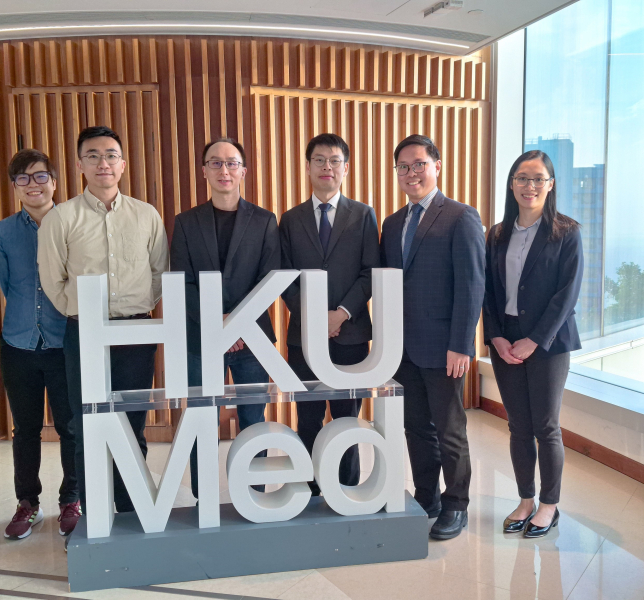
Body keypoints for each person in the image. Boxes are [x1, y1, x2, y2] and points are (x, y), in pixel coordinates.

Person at [38, 126, 168, 525]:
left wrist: (137, 308)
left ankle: (131, 511)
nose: (103, 163)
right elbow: (52, 280)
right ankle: (94, 518)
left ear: (123, 164)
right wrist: (81, 313)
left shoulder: (146, 215)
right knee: (87, 425)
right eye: (92, 155)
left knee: (132, 424)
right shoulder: (61, 217)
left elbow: (159, 273)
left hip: (136, 333)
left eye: (110, 155)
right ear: (80, 165)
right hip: (85, 333)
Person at [379, 134, 485, 540]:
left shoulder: (460, 216)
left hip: (444, 349)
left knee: (449, 429)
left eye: (419, 164)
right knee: (416, 428)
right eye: (403, 167)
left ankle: (456, 504)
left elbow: (472, 285)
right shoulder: (392, 224)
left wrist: (461, 344)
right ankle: (427, 497)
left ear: (437, 166)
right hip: (403, 349)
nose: (411, 173)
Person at [170, 137, 280, 500]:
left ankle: (255, 496)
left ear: (243, 171)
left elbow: (270, 278)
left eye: (232, 162)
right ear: (204, 171)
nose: (224, 170)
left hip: (252, 340)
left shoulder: (264, 220)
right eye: (215, 163)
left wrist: (237, 323)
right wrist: (216, 323)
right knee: (202, 418)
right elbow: (181, 281)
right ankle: (203, 500)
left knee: (253, 420)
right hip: (202, 338)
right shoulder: (186, 222)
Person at [483, 150, 583, 538]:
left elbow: (567, 294)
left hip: (549, 343)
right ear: (512, 184)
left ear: (550, 185)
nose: (530, 186)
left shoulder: (566, 232)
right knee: (519, 426)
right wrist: (495, 335)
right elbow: (487, 290)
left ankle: (549, 505)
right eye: (523, 178)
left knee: (546, 426)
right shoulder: (497, 234)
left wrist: (535, 340)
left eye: (538, 178)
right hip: (504, 340)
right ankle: (525, 500)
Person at [279, 133, 380, 496]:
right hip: (303, 336)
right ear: (308, 167)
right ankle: (309, 489)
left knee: (346, 418)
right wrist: (313, 318)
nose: (327, 167)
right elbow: (284, 275)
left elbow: (370, 272)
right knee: (307, 415)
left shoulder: (363, 215)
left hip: (350, 334)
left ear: (346, 168)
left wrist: (340, 314)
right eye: (319, 160)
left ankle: (346, 489)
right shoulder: (290, 219)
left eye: (335, 160)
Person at [0, 149, 80, 541]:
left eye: (40, 176)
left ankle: (71, 500)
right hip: (18, 343)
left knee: (70, 427)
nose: (33, 185)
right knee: (24, 430)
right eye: (23, 178)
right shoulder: (2, 233)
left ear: (54, 182)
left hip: (64, 343)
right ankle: (28, 503)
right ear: (14, 187)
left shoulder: (74, 225)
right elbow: (7, 284)